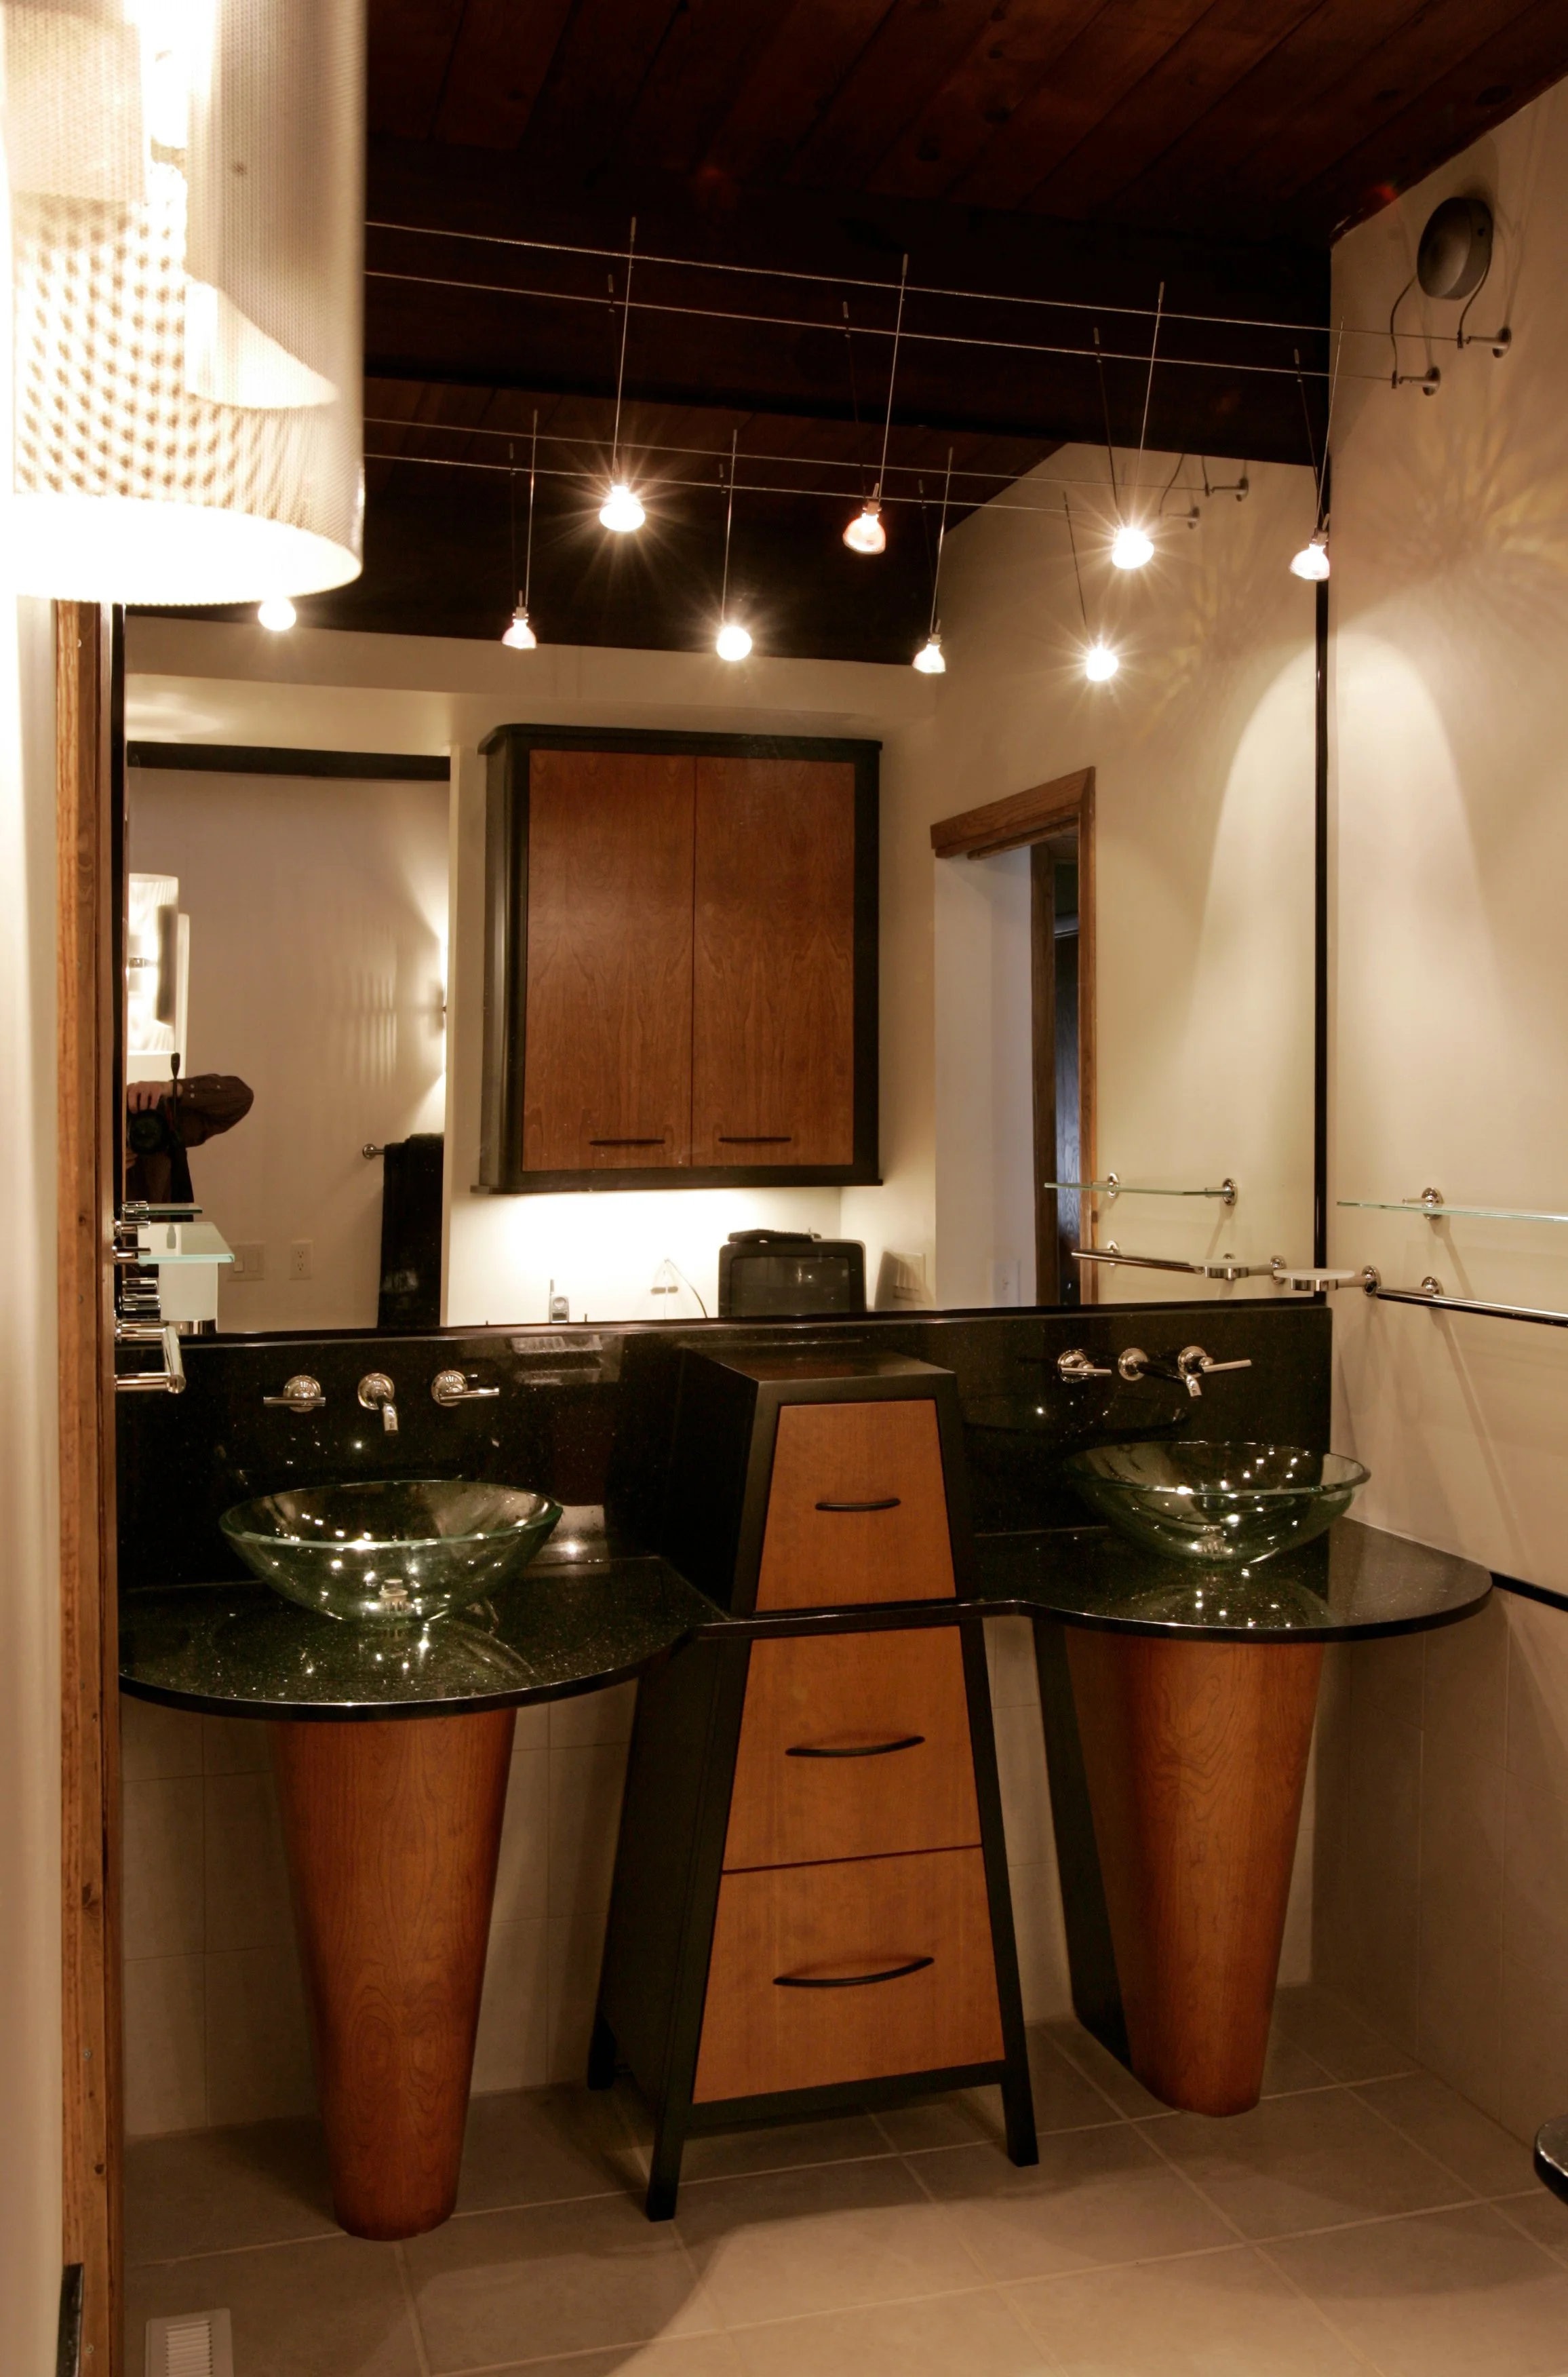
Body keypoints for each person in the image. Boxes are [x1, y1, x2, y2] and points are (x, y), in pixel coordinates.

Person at [125, 1068, 254, 1205]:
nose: (143, 1132)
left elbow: (242, 1098)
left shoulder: (156, 1115)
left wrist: (171, 1089)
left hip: (154, 1223)